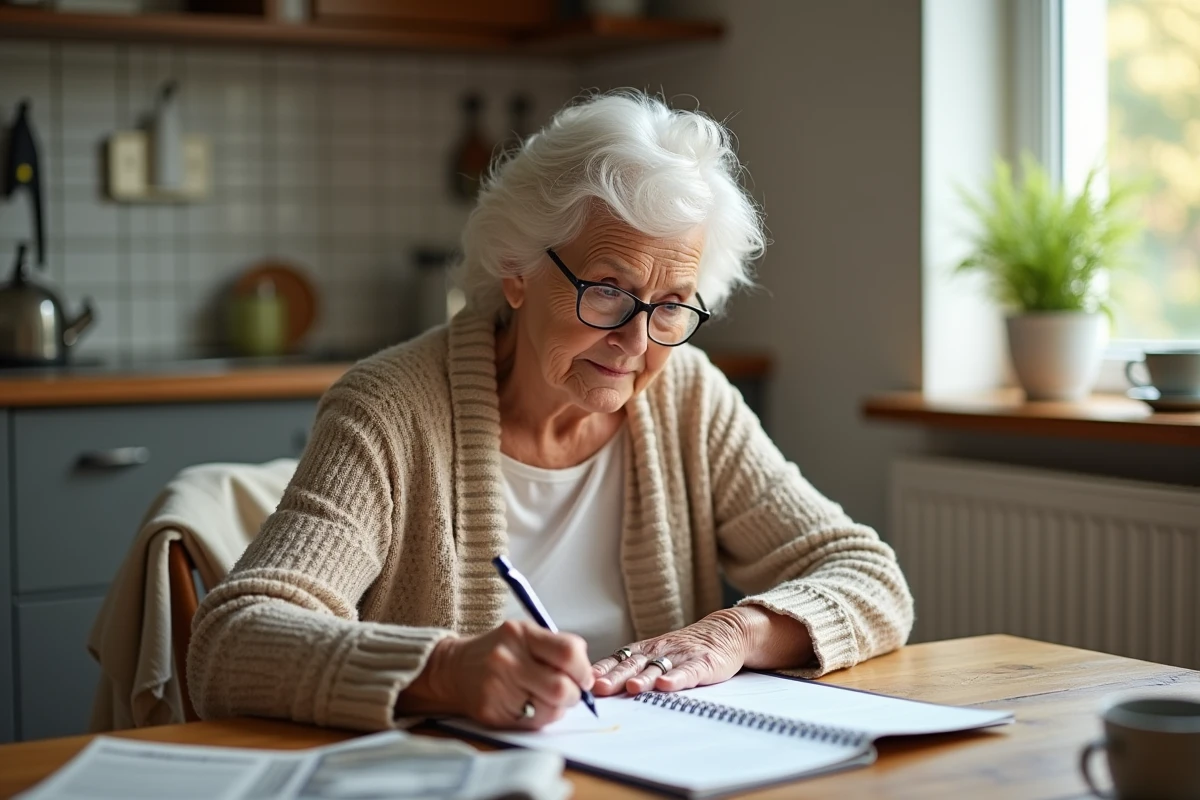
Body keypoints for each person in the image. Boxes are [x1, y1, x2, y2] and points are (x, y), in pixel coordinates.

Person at [188, 91, 914, 733]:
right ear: (517, 271)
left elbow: (869, 576)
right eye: (608, 290)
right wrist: (444, 671)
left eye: (671, 305)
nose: (637, 342)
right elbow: (232, 642)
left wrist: (734, 633)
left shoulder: (688, 397)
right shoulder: (389, 411)